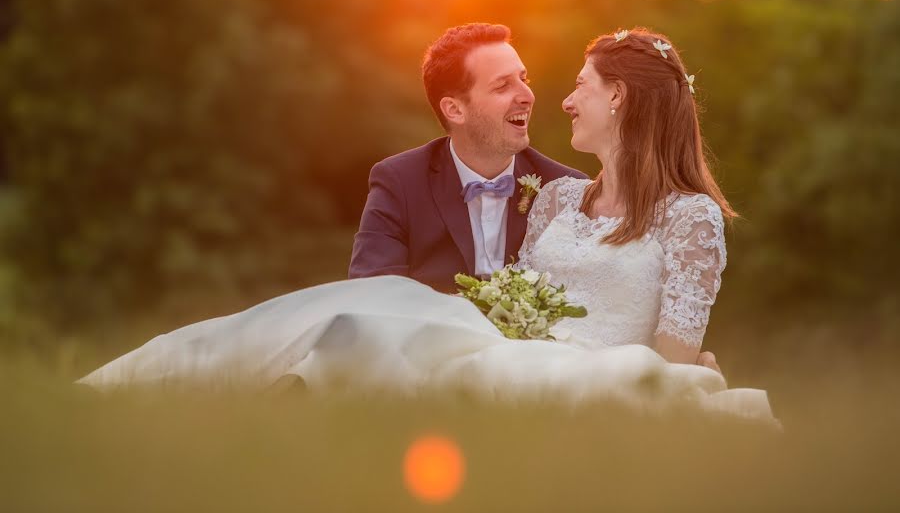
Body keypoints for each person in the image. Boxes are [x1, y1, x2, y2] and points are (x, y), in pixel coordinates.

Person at [77, 27, 770, 423]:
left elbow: (672, 359)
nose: (553, 98)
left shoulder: (685, 216)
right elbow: (486, 297)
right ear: (454, 109)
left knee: (384, 322)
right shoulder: (560, 202)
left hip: (573, 368)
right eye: (507, 85)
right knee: (372, 308)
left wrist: (690, 366)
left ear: (618, 98)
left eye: (577, 87)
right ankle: (158, 381)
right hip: (492, 342)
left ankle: (259, 400)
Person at [348, 23, 587, 293]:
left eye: (524, 79)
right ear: (455, 110)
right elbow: (371, 294)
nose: (527, 96)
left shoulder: (566, 188)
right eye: (502, 86)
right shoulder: (399, 182)